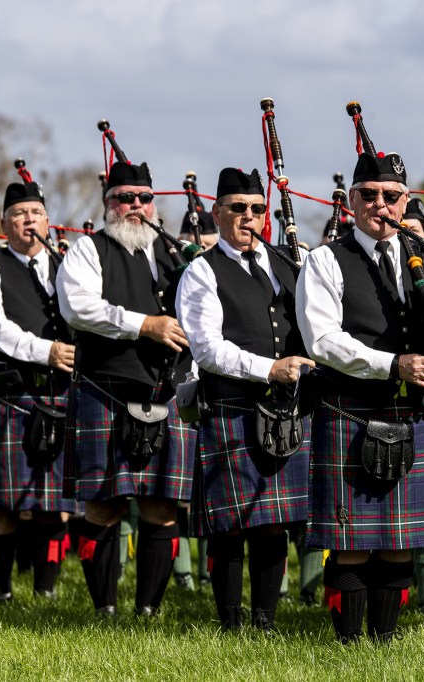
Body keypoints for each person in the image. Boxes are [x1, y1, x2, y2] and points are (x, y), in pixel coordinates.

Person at [296, 151, 424, 643]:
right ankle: (349, 646)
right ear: (351, 201)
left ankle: (384, 642)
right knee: (349, 542)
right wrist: (394, 364)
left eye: (391, 197)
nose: (380, 205)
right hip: (351, 409)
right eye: (368, 195)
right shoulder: (327, 259)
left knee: (397, 542)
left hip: (416, 414)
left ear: (405, 200)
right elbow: (322, 341)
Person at [176, 167, 313, 631]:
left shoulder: (285, 263)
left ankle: (266, 621)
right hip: (232, 405)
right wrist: (268, 368)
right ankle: (231, 623)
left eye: (256, 209)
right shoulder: (201, 270)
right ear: (217, 213)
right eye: (237, 208)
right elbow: (207, 349)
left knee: (274, 520)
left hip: (285, 408)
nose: (248, 217)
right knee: (232, 522)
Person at [56, 159, 191, 617]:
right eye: (124, 198)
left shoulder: (177, 255)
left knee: (163, 507)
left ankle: (148, 610)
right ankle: (104, 608)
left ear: (155, 203)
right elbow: (78, 308)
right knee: (103, 507)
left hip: (165, 392)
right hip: (105, 389)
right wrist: (145, 325)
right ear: (108, 203)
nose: (135, 206)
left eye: (144, 198)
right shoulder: (88, 251)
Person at [0, 178, 77, 601]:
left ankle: (45, 589)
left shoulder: (67, 266)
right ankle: (1, 590)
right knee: (3, 503)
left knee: (52, 503)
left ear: (48, 222)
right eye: (18, 215)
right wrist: (45, 351)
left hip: (60, 393)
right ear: (4, 226)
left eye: (35, 214)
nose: (28, 221)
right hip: (10, 394)